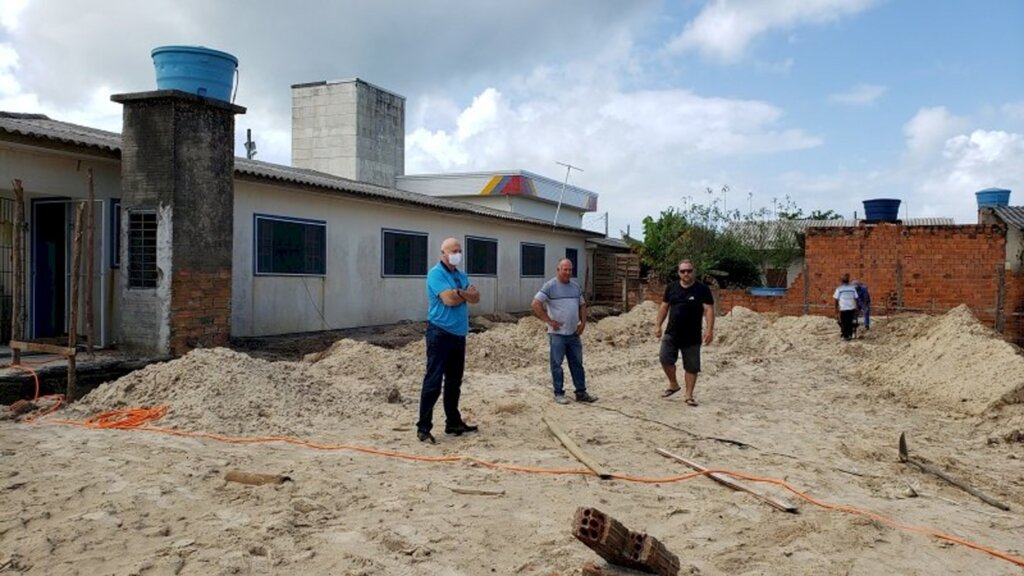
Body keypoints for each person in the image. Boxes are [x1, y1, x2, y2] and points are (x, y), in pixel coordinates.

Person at [416, 237, 481, 444]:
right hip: (440, 333)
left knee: (454, 382)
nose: (457, 254)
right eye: (453, 250)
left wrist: (459, 293)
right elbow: (449, 300)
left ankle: (453, 422)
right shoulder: (436, 274)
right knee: (433, 381)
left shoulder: (461, 274)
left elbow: (477, 297)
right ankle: (424, 427)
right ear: (443, 253)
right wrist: (463, 293)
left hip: (458, 335)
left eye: (459, 250)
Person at [532, 258, 597, 405]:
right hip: (557, 335)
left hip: (573, 334)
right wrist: (549, 321)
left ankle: (581, 392)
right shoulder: (550, 286)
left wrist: (583, 323)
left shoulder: (575, 287)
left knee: (577, 364)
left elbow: (582, 305)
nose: (568, 272)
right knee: (557, 364)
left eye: (570, 270)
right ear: (558, 270)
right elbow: (535, 303)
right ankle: (559, 393)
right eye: (565, 269)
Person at [654, 259, 715, 407]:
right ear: (679, 273)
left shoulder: (702, 289)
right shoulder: (671, 287)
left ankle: (689, 395)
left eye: (689, 271)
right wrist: (658, 325)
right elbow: (664, 307)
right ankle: (673, 384)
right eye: (683, 271)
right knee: (665, 359)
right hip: (672, 333)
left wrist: (709, 330)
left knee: (691, 367)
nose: (686, 273)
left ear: (693, 271)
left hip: (692, 335)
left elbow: (708, 310)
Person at [834, 273, 859, 341]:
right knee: (850, 321)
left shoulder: (839, 289)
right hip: (851, 307)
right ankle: (849, 335)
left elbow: (836, 299)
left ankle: (845, 335)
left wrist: (836, 309)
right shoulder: (852, 288)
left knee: (844, 322)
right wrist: (856, 307)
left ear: (842, 281)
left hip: (843, 308)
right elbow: (856, 298)